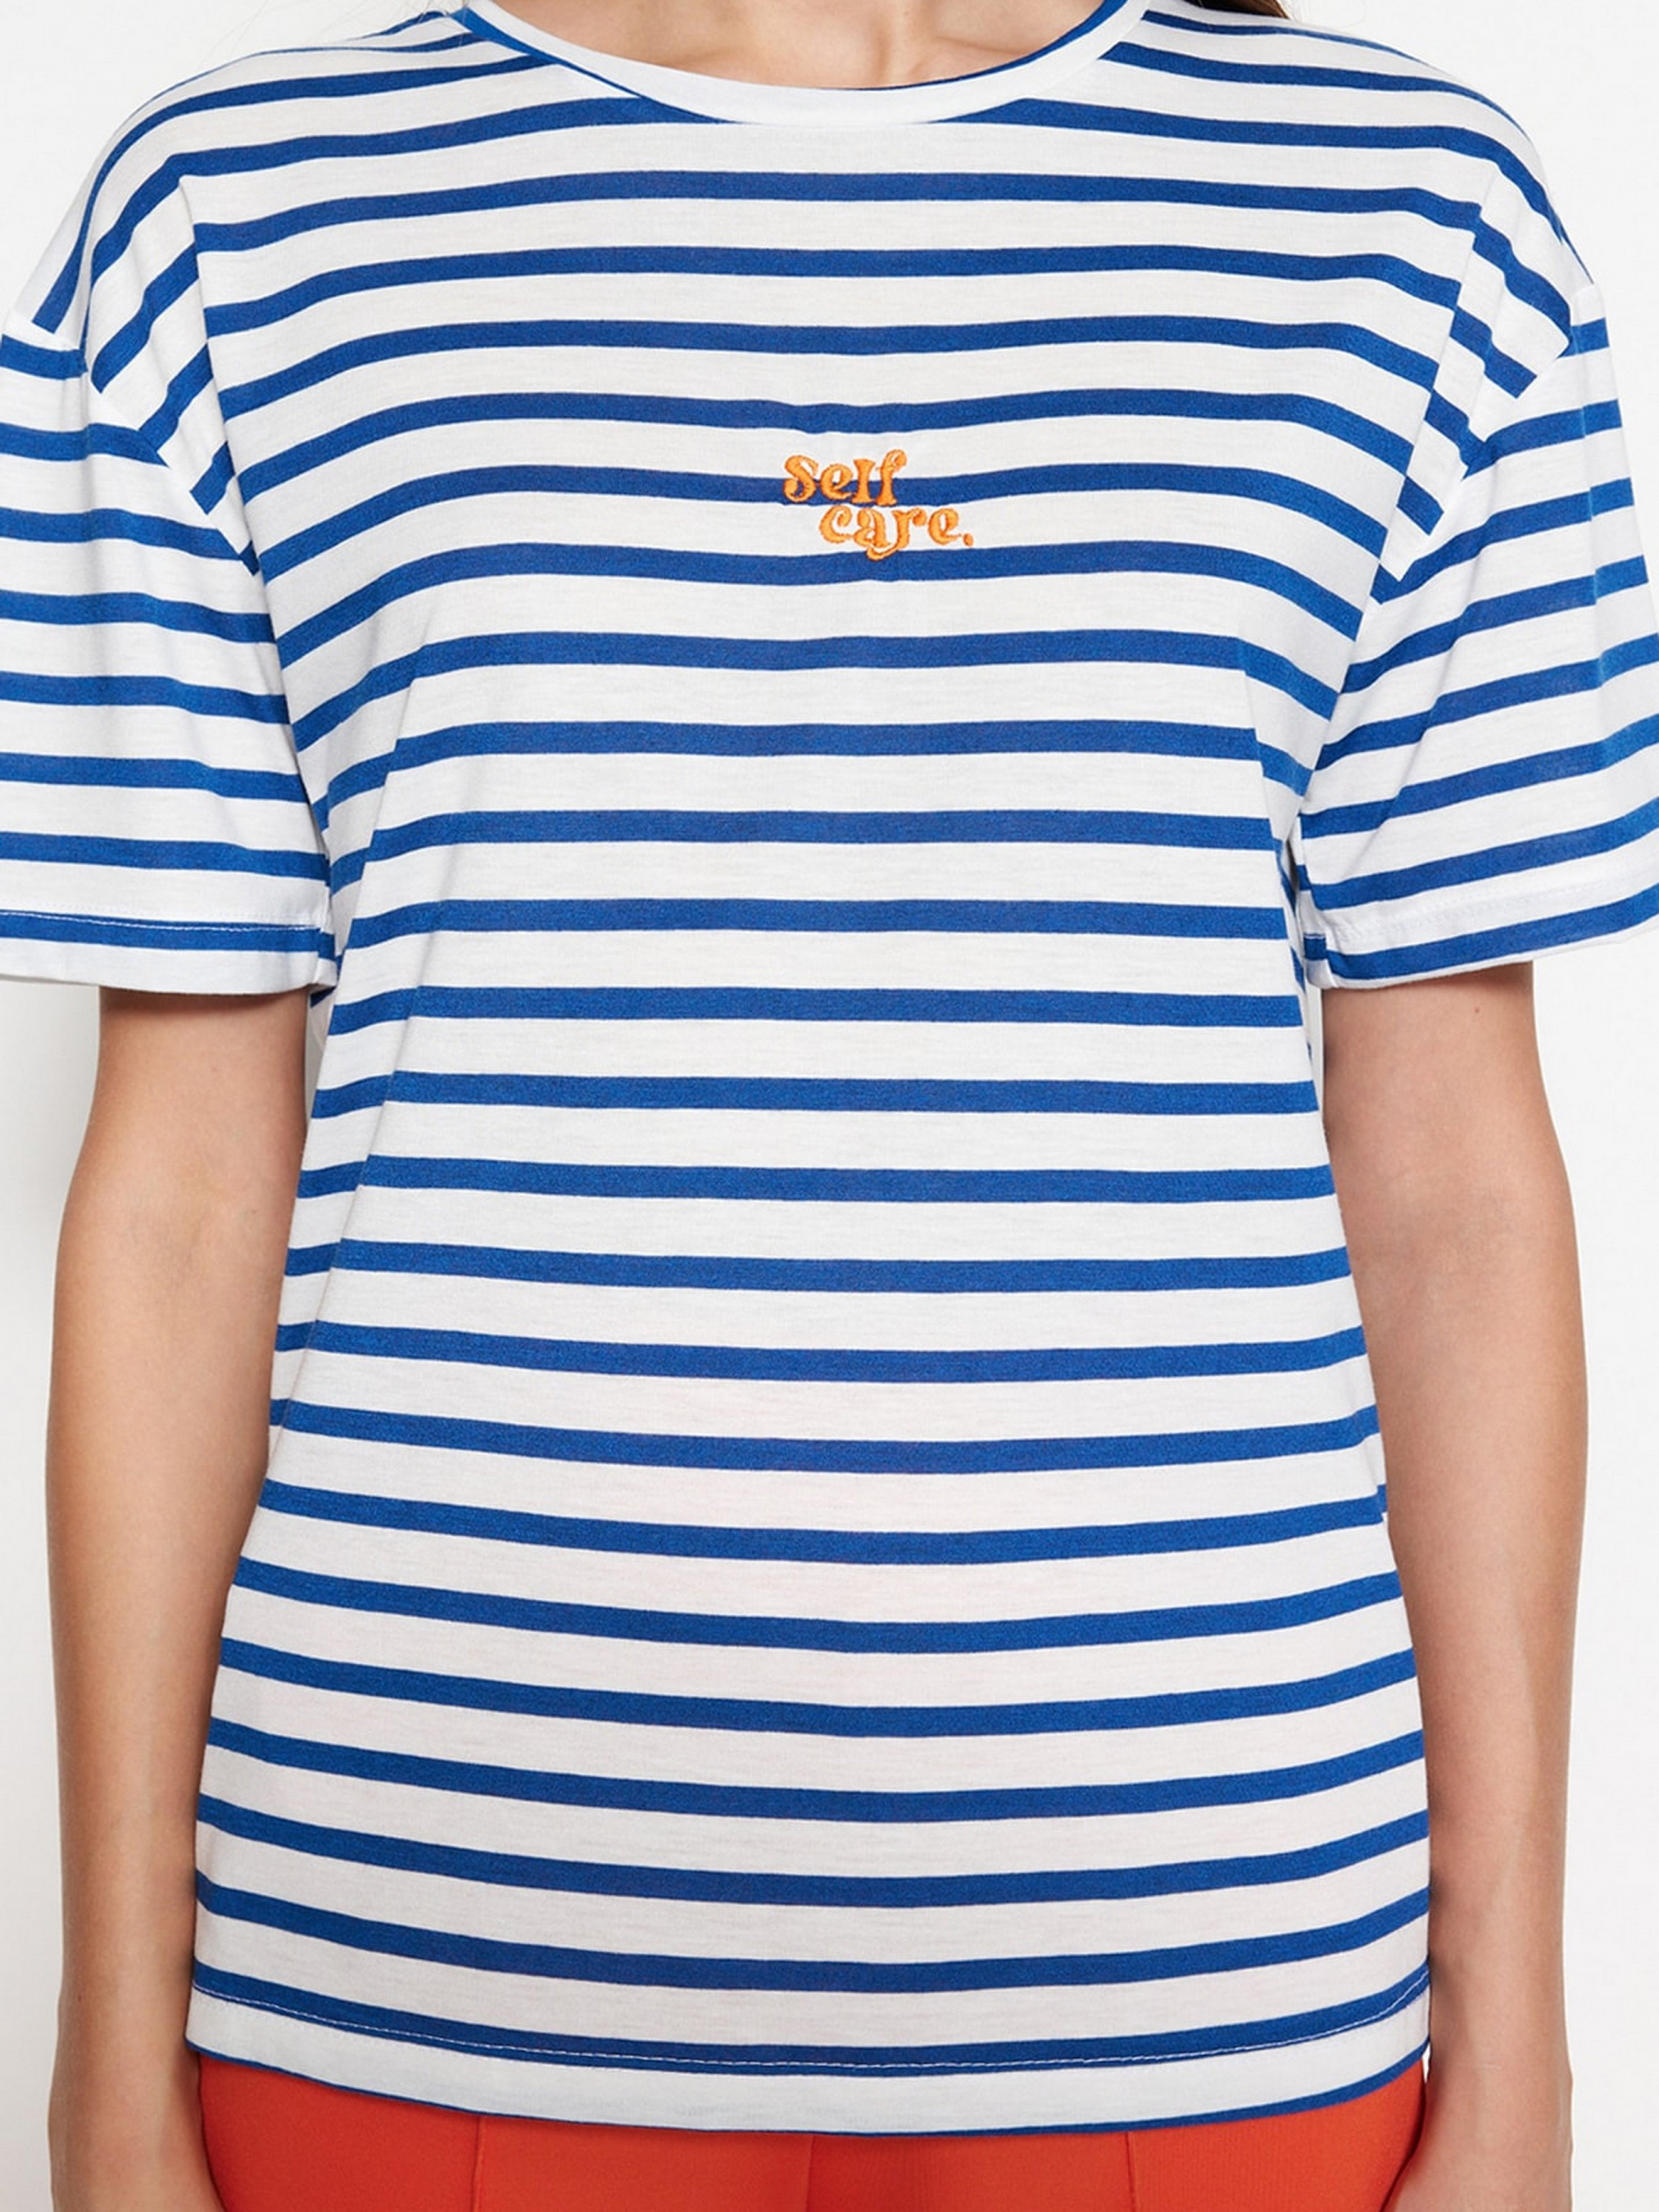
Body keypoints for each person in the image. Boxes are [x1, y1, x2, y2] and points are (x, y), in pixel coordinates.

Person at [3, 0, 1655, 2205]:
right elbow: (179, 1200)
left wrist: (1518, 2051)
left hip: (1202, 1954)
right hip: (412, 1948)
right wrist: (107, 2057)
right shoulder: (229, 217)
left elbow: (1455, 1190)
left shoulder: (1414, 220)